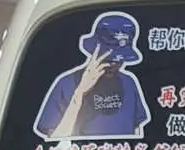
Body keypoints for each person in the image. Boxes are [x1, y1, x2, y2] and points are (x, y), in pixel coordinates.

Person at [33, 10, 151, 141]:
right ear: (94, 51)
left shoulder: (128, 82)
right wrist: (80, 92)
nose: (113, 64)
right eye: (107, 58)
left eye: (119, 59)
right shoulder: (66, 84)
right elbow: (54, 142)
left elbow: (137, 133)